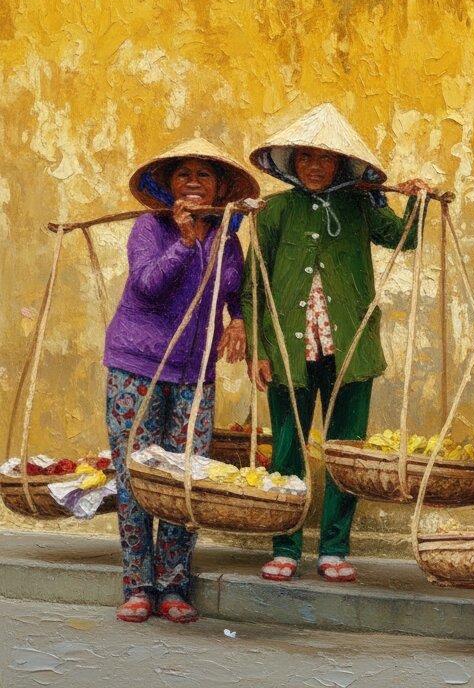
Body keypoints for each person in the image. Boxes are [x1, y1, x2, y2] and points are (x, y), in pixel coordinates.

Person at [244, 103, 431, 583]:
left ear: (341, 166)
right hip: (290, 350)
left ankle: (333, 548)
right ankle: (285, 545)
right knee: (287, 449)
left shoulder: (360, 205)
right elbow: (254, 285)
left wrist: (415, 200)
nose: (313, 167)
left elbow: (403, 239)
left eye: (324, 159)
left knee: (344, 454)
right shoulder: (275, 211)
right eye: (305, 158)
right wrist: (258, 350)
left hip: (350, 350)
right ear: (292, 163)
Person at [103, 139, 259, 624]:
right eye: (183, 174)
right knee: (135, 476)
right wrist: (184, 240)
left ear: (218, 188)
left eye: (204, 176)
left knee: (184, 480)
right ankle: (137, 585)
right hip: (137, 367)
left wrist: (237, 321)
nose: (193, 182)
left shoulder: (228, 240)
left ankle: (173, 585)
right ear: (169, 186)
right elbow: (147, 285)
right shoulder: (148, 228)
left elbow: (235, 290)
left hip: (195, 374)